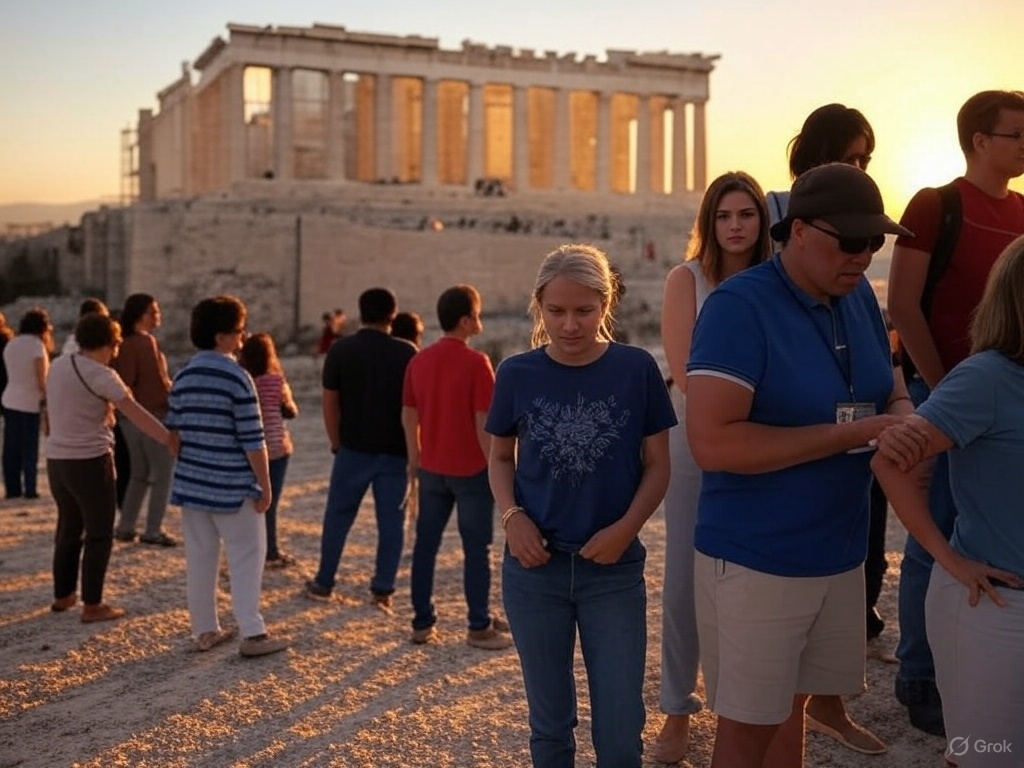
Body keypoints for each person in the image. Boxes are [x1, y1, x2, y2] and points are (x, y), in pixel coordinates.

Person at [686, 164, 914, 768]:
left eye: (875, 241)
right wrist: (855, 434)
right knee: (747, 731)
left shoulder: (859, 294)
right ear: (801, 231)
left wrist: (903, 418)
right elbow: (713, 443)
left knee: (792, 715)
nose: (865, 255)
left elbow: (888, 387)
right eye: (852, 241)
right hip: (759, 556)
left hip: (837, 552)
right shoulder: (740, 306)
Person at [486, 244, 675, 768]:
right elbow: (500, 457)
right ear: (539, 307)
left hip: (612, 573)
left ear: (605, 305)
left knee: (619, 732)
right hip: (533, 571)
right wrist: (511, 518)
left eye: (584, 312)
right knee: (549, 731)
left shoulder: (636, 369)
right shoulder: (516, 373)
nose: (569, 325)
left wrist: (625, 529)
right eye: (557, 312)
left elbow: (658, 465)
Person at [886, 89, 1024, 736]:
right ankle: (920, 677)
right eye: (1016, 133)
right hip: (957, 389)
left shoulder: (1021, 210)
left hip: (1002, 398)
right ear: (979, 140)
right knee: (931, 535)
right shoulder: (935, 204)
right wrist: (945, 391)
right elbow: (906, 305)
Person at [872, 234, 1024, 766]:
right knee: (987, 757)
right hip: (998, 609)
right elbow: (890, 462)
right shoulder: (985, 379)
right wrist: (947, 557)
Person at [765, 103, 889, 756]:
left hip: (852, 446)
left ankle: (830, 704)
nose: (858, 167)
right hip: (788, 445)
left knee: (855, 568)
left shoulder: (858, 263)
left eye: (866, 159)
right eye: (849, 154)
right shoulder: (776, 222)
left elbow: (880, 361)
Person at [654, 171, 771, 763]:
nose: (734, 226)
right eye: (724, 215)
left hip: (767, 437)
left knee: (755, 576)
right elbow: (683, 364)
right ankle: (677, 708)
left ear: (761, 221)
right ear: (709, 221)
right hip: (696, 436)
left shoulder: (779, 281)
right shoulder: (688, 279)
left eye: (745, 215)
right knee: (685, 575)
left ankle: (739, 706)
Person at [166, 295, 288, 657]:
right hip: (233, 487)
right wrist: (264, 486)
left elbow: (174, 432)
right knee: (247, 556)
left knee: (200, 558)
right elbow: (254, 439)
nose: (242, 337)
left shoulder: (184, 374)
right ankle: (253, 632)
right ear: (222, 336)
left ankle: (204, 630)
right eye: (239, 331)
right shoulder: (238, 377)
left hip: (192, 485)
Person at [402, 285, 511, 650]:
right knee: (476, 549)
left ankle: (422, 622)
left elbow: (409, 415)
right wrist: (498, 467)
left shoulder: (418, 361)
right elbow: (484, 424)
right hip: (471, 472)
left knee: (425, 547)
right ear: (466, 320)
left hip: (431, 468)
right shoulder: (477, 364)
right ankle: (478, 624)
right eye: (477, 314)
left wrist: (414, 460)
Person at [46, 312, 171, 623]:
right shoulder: (103, 376)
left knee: (68, 529)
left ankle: (63, 596)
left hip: (57, 460)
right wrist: (170, 440)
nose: (117, 351)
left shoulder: (59, 364)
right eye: (116, 345)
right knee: (100, 533)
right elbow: (136, 414)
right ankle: (93, 604)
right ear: (109, 344)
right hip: (91, 460)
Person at [305, 288, 416, 611]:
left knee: (338, 517)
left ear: (361, 312)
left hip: (353, 448)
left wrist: (335, 440)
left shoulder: (341, 350)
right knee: (392, 524)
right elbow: (413, 408)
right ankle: (383, 588)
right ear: (392, 316)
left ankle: (324, 581)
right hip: (395, 452)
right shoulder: (407, 352)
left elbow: (330, 401)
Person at [113, 293, 177, 546]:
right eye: (154, 311)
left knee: (139, 473)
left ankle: (126, 526)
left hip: (128, 417)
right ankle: (153, 529)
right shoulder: (144, 342)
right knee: (162, 474)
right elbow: (156, 383)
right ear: (143, 315)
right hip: (152, 414)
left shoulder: (123, 342)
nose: (158, 316)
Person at [238, 332, 299, 569]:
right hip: (277, 448)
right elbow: (291, 410)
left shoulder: (244, 380)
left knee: (249, 502)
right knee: (270, 502)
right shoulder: (276, 381)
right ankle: (270, 551)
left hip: (250, 449)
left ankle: (248, 548)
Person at [2, 307, 53, 500]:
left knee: (11, 448)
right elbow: (41, 378)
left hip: (10, 398)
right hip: (29, 401)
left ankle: (12, 488)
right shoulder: (36, 346)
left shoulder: (12, 343)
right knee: (29, 448)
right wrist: (47, 399)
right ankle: (30, 489)